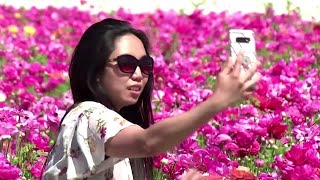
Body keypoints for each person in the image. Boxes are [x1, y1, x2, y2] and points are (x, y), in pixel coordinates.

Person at [42, 18, 260, 180]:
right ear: (96, 72)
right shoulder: (87, 114)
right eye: (126, 64)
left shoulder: (121, 133)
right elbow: (147, 143)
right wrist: (217, 101)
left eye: (145, 65)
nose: (138, 75)